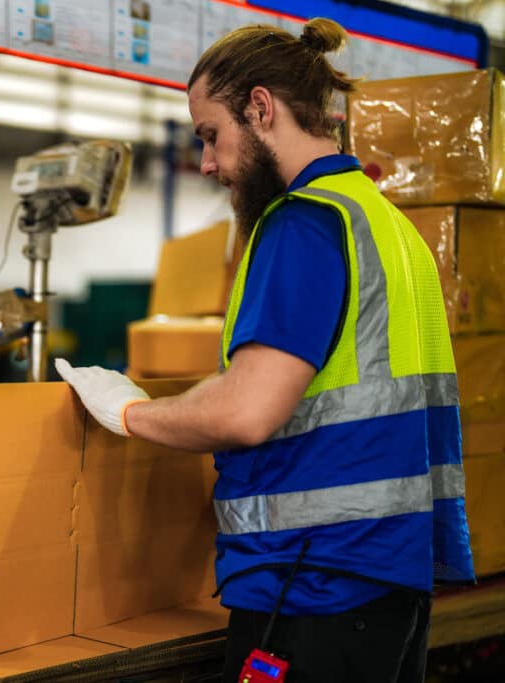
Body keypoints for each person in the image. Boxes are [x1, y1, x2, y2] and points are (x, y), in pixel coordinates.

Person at [57, 18, 475, 683]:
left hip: (312, 586)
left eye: (211, 135)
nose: (207, 163)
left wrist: (131, 412)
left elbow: (250, 409)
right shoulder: (385, 223)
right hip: (391, 581)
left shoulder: (302, 222)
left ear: (260, 107)